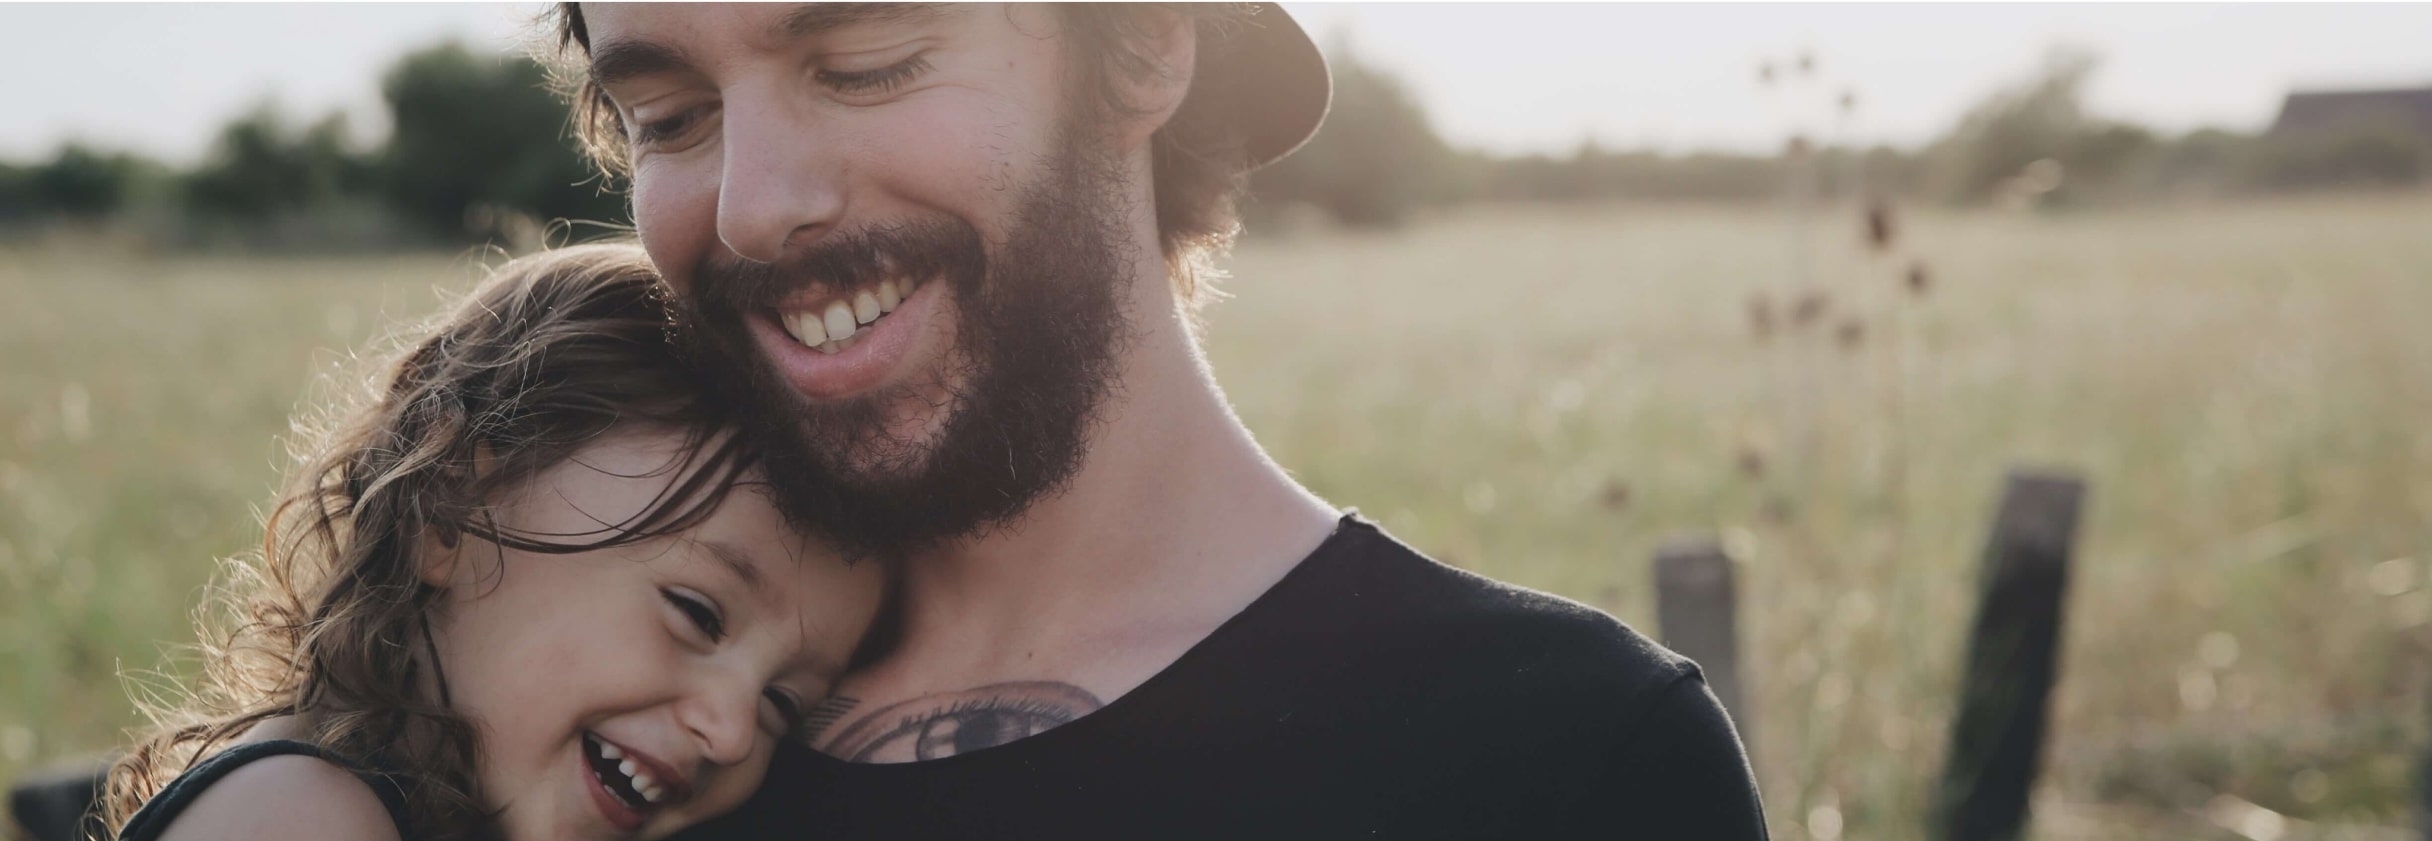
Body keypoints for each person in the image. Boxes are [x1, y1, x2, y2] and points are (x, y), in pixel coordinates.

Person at [550, 3, 1770, 836]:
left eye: (865, 61)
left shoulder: (1560, 760)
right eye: (672, 116)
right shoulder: (605, 740)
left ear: (1138, 48)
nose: (753, 207)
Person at [101, 245, 886, 841]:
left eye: (784, 702)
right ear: (447, 507)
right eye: (697, 612)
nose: (732, 729)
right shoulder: (299, 815)